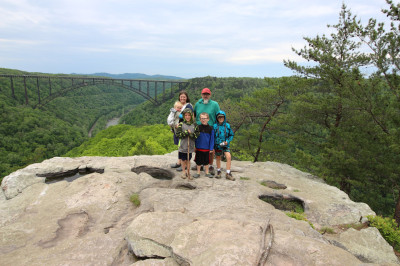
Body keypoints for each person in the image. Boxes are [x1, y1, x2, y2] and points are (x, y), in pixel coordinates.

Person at [193, 88, 220, 175]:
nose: (205, 96)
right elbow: (194, 114)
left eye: (207, 94)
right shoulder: (198, 104)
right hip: (199, 127)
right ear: (201, 94)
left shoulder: (215, 104)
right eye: (204, 94)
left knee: (210, 149)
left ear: (210, 95)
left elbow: (219, 116)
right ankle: (199, 164)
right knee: (198, 148)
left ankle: (210, 166)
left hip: (210, 127)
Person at [171, 91, 193, 171]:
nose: (182, 98)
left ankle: (185, 164)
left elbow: (189, 117)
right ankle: (179, 162)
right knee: (179, 146)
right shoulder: (178, 105)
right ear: (179, 97)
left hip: (184, 128)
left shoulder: (189, 106)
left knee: (184, 146)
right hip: (177, 129)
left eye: (184, 96)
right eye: (181, 96)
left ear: (187, 97)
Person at [175, 108, 199, 180]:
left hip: (190, 146)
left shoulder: (194, 125)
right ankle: (183, 172)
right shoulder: (181, 124)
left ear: (191, 116)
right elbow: (178, 135)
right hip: (183, 145)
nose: (187, 117)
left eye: (189, 115)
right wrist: (185, 133)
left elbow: (197, 134)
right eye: (186, 115)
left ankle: (188, 172)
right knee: (183, 159)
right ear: (184, 116)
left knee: (188, 159)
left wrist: (191, 134)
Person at [213, 110, 235, 181]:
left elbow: (231, 135)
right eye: (219, 117)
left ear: (224, 117)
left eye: (222, 117)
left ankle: (228, 173)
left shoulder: (227, 126)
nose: (220, 118)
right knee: (218, 157)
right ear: (217, 118)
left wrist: (227, 141)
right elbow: (212, 136)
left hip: (225, 144)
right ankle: (219, 171)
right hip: (217, 145)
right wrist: (212, 146)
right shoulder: (215, 126)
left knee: (228, 156)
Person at [193, 112, 214, 178]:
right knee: (198, 161)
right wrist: (195, 146)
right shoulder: (197, 128)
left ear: (208, 119)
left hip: (207, 148)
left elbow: (212, 139)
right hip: (199, 147)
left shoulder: (211, 129)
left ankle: (207, 172)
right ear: (199, 119)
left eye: (205, 118)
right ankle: (198, 172)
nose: (203, 120)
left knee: (206, 161)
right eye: (202, 118)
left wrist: (211, 148)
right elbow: (195, 138)